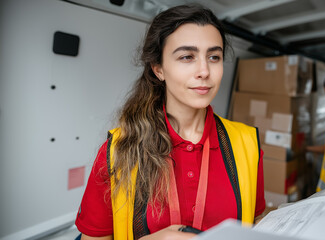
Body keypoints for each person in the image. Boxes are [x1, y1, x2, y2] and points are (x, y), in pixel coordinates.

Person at [74, 4, 265, 240]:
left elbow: (255, 222)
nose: (204, 71)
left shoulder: (247, 143)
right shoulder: (117, 151)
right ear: (158, 69)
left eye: (214, 57)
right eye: (187, 57)